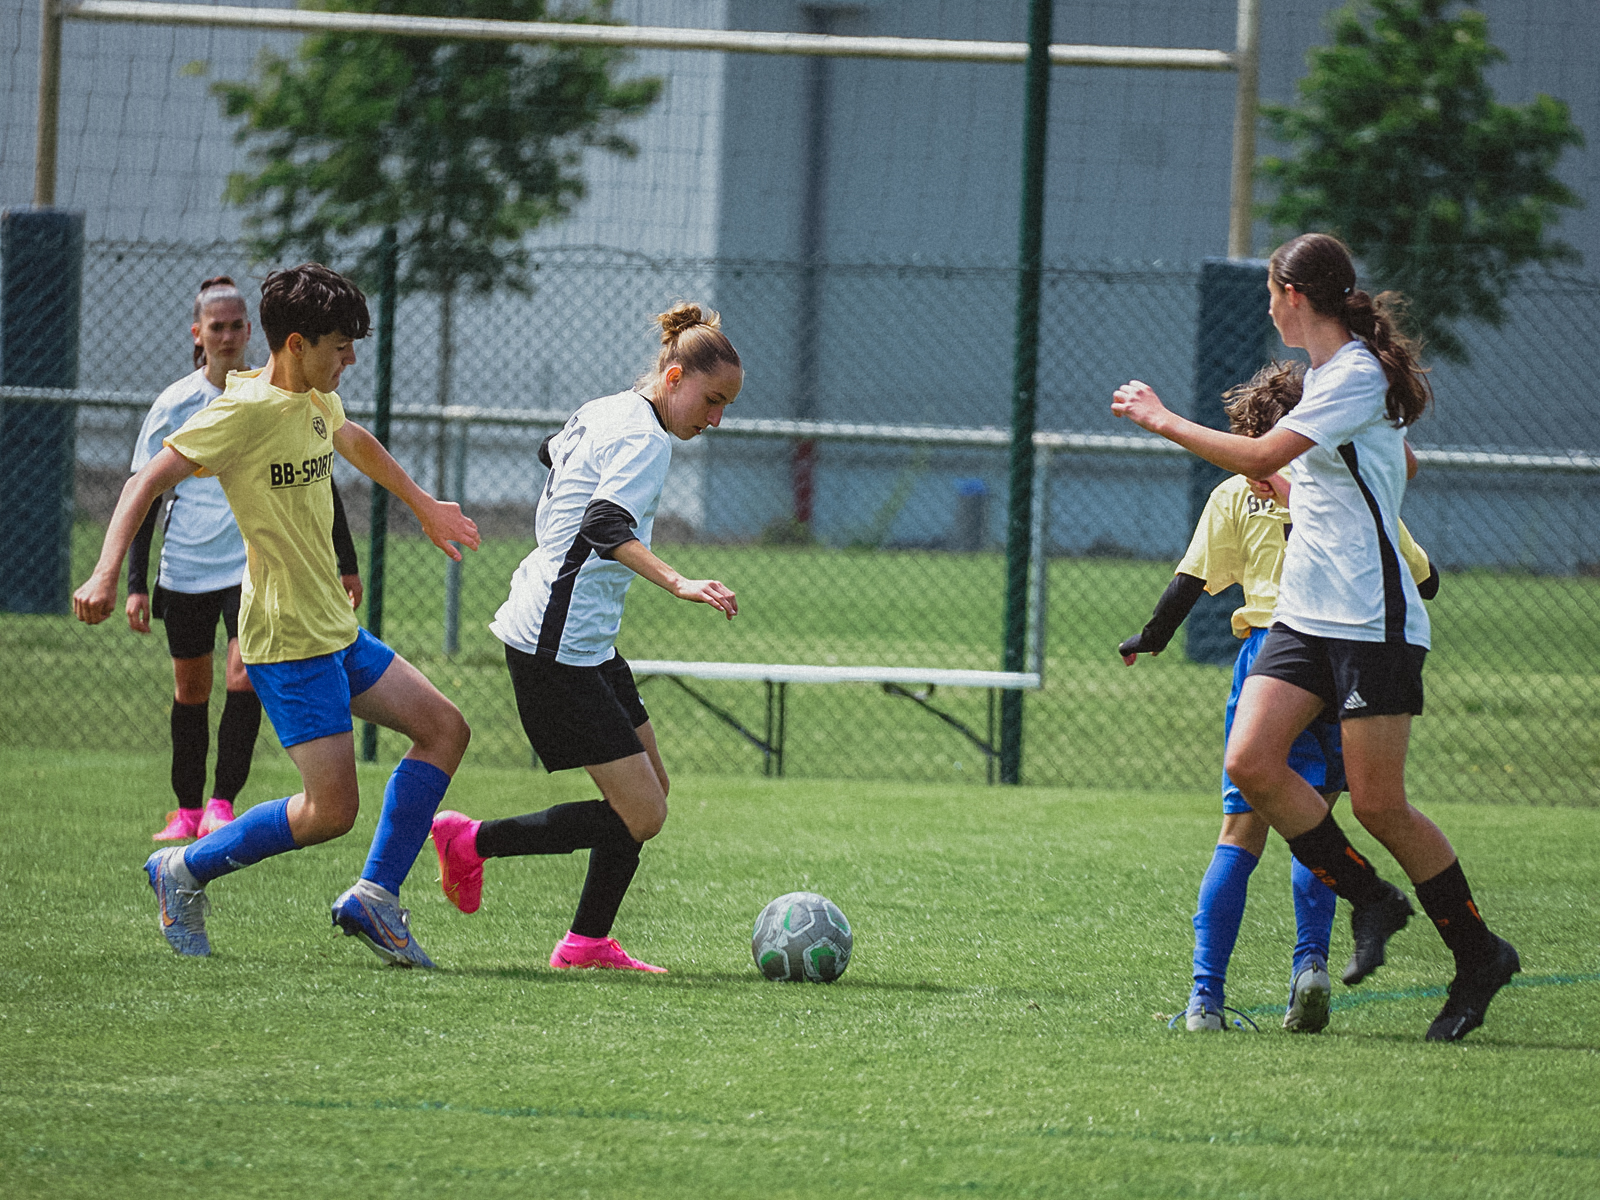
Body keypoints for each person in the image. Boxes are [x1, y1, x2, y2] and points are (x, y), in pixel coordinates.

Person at [1112, 232, 1519, 1042]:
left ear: (1294, 296)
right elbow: (1396, 459)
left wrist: (1161, 419)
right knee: (1250, 763)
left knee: (1379, 804)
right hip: (1304, 616)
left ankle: (1479, 956)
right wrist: (1315, 477)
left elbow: (1264, 450)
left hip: (1373, 622)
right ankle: (1371, 898)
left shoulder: (1358, 373)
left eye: (1271, 294)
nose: (1268, 307)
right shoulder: (1339, 380)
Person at [73, 263, 479, 968]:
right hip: (287, 640)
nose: (351, 359)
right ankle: (184, 871)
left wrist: (422, 502)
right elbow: (147, 479)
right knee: (330, 813)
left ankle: (375, 898)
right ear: (295, 343)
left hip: (335, 629)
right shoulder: (241, 412)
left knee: (444, 728)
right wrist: (109, 570)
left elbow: (351, 441)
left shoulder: (318, 398)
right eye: (340, 346)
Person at [1120, 360, 1438, 1034]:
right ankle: (1310, 968)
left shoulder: (1235, 495)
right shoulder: (1348, 492)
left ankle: (1205, 1001)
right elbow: (1425, 578)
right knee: (1313, 826)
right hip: (1338, 660)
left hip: (1270, 660)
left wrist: (1148, 638)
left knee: (1239, 835)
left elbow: (1187, 584)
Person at [429, 302, 742, 973]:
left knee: (649, 789)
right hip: (555, 645)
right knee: (644, 812)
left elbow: (550, 452)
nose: (714, 420)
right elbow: (604, 523)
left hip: (582, 638)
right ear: (676, 374)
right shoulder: (646, 438)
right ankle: (470, 841)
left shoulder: (609, 409)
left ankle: (587, 943)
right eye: (710, 401)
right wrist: (679, 580)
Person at [130, 275, 363, 842]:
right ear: (199, 333)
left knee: (242, 678)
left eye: (238, 325)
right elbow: (145, 487)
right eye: (218, 326)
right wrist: (131, 578)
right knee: (193, 690)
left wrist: (346, 559)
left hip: (248, 568)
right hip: (186, 568)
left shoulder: (298, 397)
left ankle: (222, 803)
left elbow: (324, 473)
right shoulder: (187, 405)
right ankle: (186, 810)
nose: (229, 335)